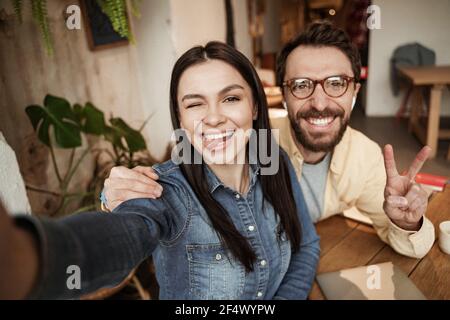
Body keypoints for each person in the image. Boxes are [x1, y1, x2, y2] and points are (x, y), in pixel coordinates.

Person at [0, 42, 319, 300]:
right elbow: (125, 233)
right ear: (181, 119)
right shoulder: (166, 190)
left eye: (231, 98)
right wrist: (28, 257)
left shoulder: (275, 163)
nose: (213, 117)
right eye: (195, 104)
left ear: (255, 107)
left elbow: (305, 245)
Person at [103, 22, 434, 259]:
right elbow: (169, 191)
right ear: (283, 95)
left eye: (336, 83)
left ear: (354, 92)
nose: (319, 102)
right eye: (302, 85)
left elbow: (410, 243)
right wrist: (115, 197)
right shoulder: (242, 142)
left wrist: (409, 222)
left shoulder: (365, 156)